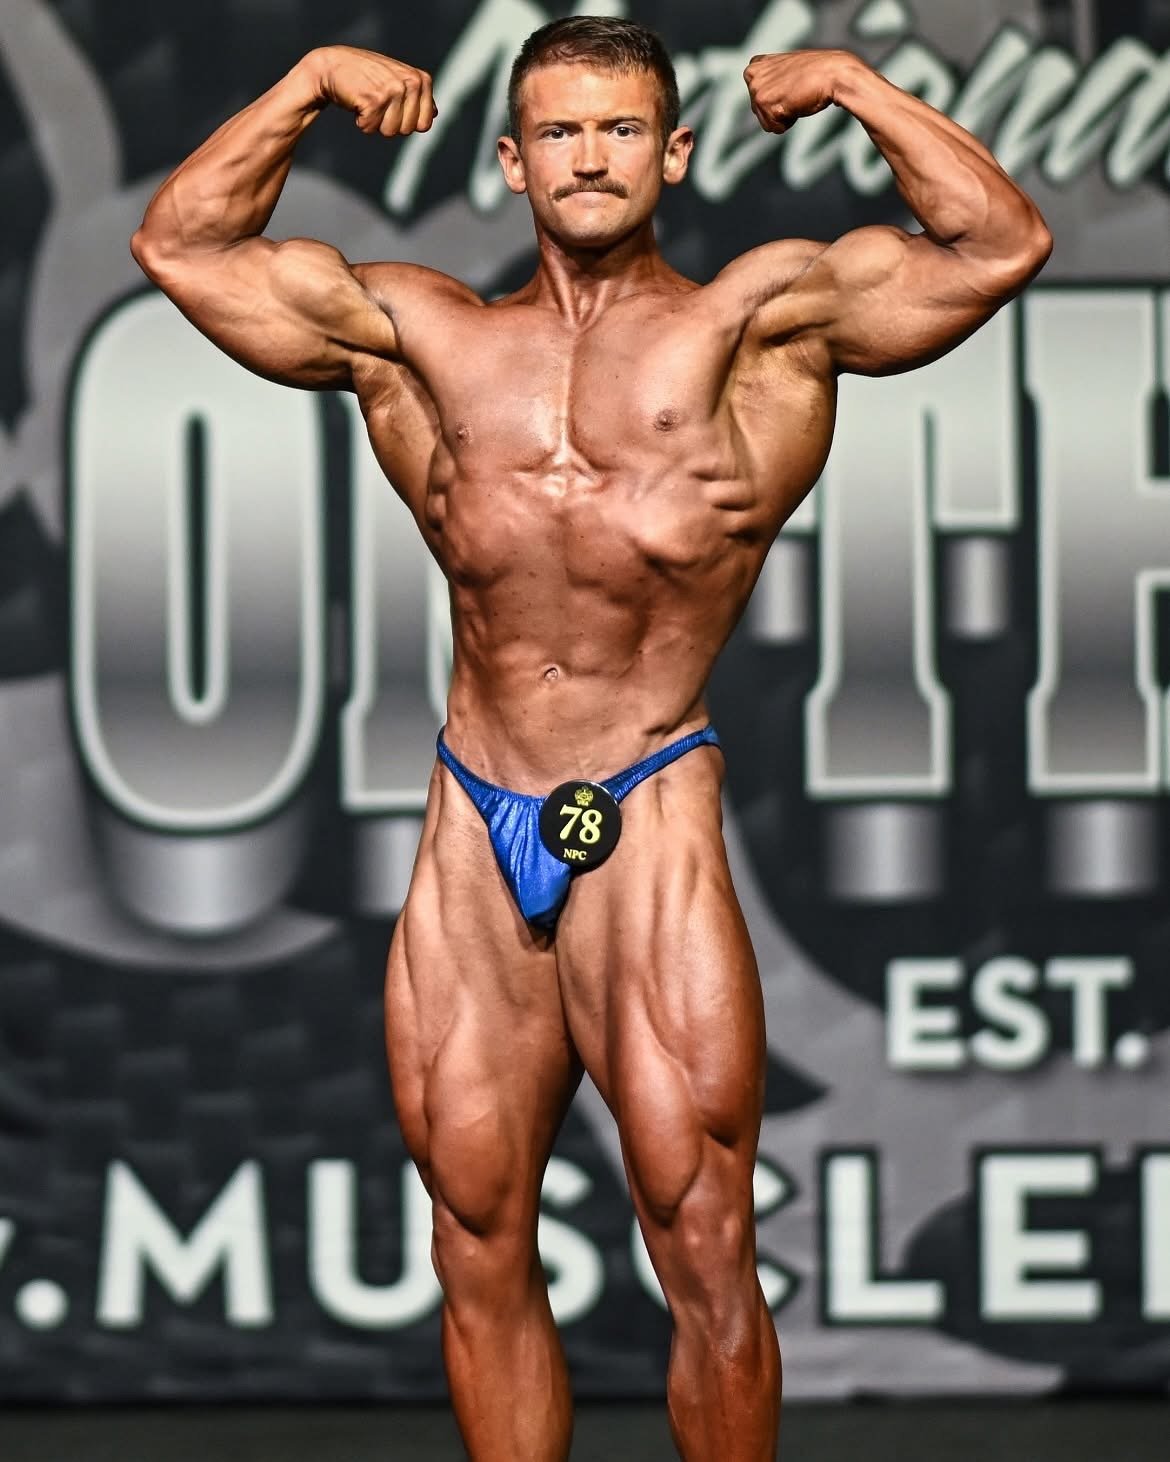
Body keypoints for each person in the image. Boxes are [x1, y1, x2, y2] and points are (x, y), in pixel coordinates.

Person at [131, 16, 1051, 1459]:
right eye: (559, 130)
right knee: (476, 1231)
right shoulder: (422, 340)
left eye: (621, 129)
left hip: (648, 797)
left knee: (699, 1236)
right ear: (510, 160)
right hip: (472, 808)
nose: (590, 156)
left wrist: (859, 87)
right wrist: (307, 82)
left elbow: (994, 245)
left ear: (673, 153)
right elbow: (181, 247)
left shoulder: (762, 327)